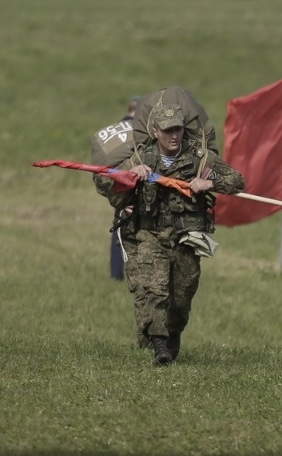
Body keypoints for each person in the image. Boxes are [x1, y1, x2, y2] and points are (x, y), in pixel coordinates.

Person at [95, 104, 244, 366]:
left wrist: (209, 183)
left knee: (182, 296)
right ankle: (159, 346)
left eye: (178, 129)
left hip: (186, 238)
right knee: (154, 291)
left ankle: (172, 334)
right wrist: (129, 176)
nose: (174, 135)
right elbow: (106, 185)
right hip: (150, 235)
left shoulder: (199, 157)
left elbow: (236, 179)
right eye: (167, 130)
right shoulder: (142, 157)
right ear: (155, 131)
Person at [109, 96, 139, 280]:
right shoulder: (137, 131)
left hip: (119, 188)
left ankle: (117, 273)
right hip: (133, 188)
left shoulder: (114, 133)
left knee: (119, 230)